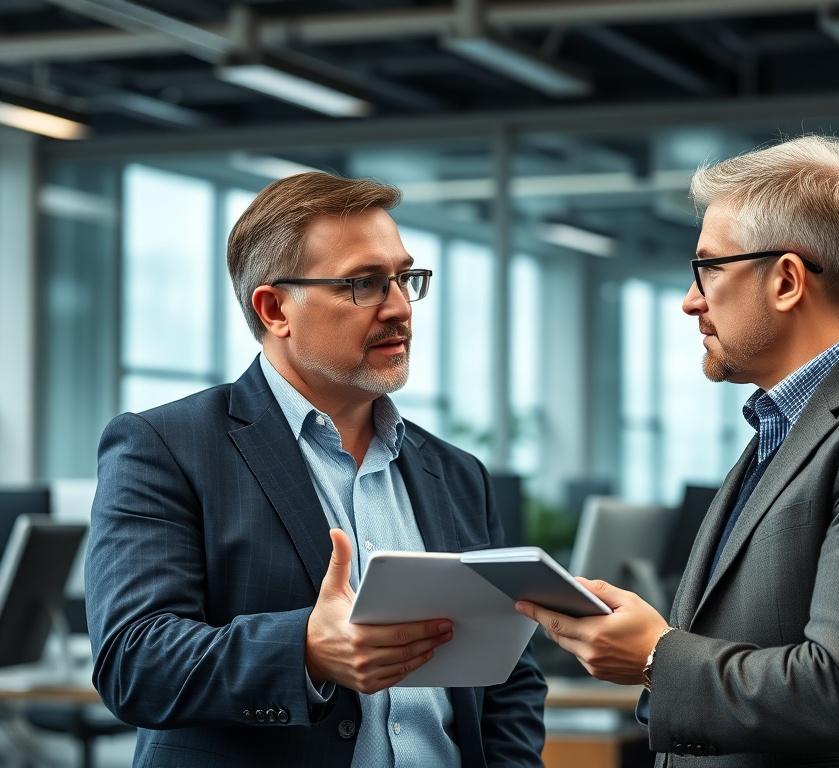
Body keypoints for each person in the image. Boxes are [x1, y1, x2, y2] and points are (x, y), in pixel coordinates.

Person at [516, 135, 839, 766]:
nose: (691, 300)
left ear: (786, 280)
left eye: (710, 268)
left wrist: (656, 657)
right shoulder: (786, 426)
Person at [85, 172, 546, 767]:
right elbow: (133, 661)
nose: (400, 307)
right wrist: (305, 650)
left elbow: (507, 678)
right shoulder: (166, 447)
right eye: (364, 284)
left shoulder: (456, 474)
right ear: (275, 308)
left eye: (405, 278)